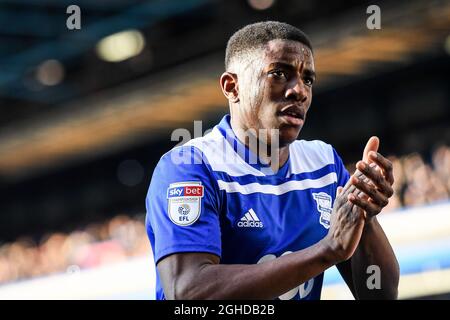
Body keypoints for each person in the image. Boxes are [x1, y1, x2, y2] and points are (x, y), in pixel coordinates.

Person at [145, 21, 399, 300]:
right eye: (279, 73)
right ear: (232, 86)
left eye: (308, 80)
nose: (299, 91)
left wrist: (367, 216)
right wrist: (327, 250)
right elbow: (190, 293)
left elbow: (379, 294)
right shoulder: (190, 166)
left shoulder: (323, 163)